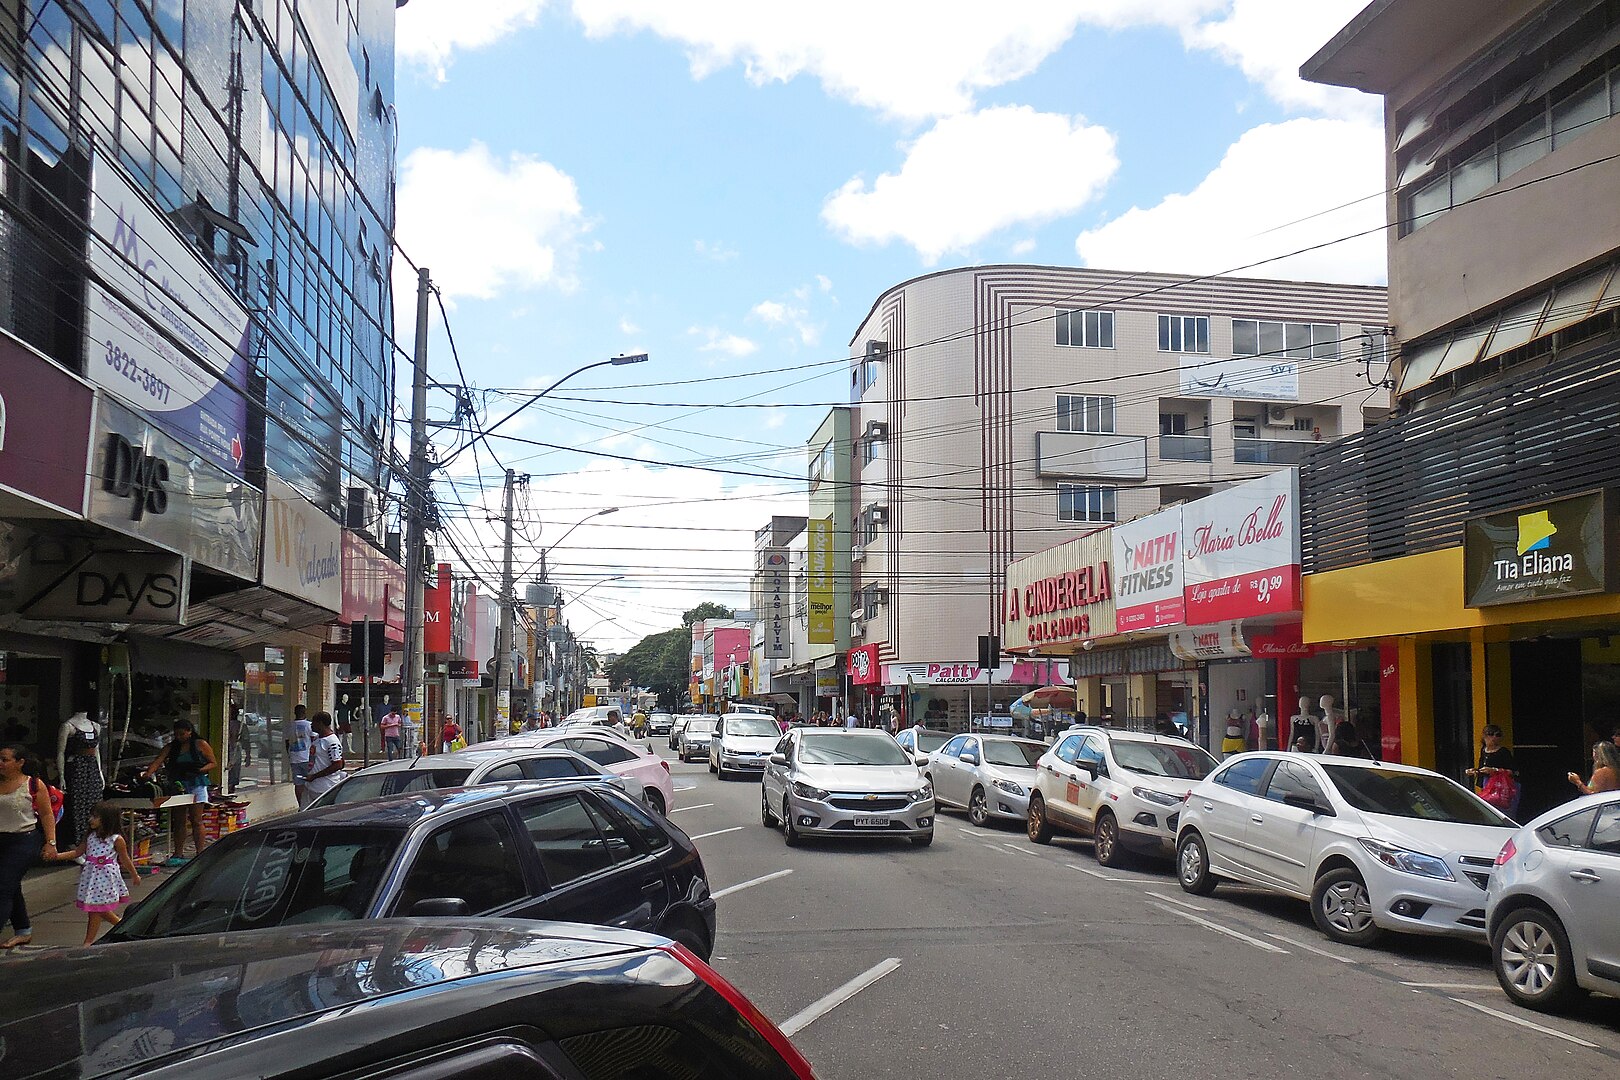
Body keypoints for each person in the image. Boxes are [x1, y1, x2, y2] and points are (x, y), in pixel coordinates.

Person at [50, 801, 137, 945]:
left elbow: (125, 858)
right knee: (98, 907)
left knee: (95, 909)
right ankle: (123, 925)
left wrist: (134, 874)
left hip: (105, 878)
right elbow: (78, 852)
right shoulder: (90, 837)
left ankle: (88, 942)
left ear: (107, 819)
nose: (91, 819)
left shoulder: (116, 840)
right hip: (91, 877)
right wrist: (57, 856)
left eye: (95, 817)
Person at [0, 744, 57, 948]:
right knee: (11, 886)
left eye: (5, 759)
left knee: (3, 886)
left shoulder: (33, 784)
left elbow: (46, 814)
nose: (0, 763)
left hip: (24, 840)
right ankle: (23, 931)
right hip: (1, 840)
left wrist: (51, 843)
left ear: (20, 762)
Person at [140, 720, 216, 863]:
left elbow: (213, 762)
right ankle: (178, 852)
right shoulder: (171, 747)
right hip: (178, 783)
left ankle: (200, 852)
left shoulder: (200, 744)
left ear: (190, 732)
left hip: (196, 783)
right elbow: (158, 760)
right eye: (176, 734)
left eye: (182, 734)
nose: (180, 737)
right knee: (179, 820)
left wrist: (199, 770)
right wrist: (148, 774)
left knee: (196, 820)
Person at [304, 713, 346, 801]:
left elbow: (338, 764)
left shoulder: (331, 742)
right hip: (312, 787)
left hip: (324, 788)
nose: (311, 725)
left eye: (313, 722)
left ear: (320, 723)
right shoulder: (317, 739)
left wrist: (314, 776)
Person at [1466, 724, 1517, 789]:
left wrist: (1494, 770)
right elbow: (1482, 767)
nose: (1494, 737)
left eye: (1498, 735)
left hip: (1500, 785)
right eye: (1491, 734)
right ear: (1484, 736)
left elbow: (1512, 771)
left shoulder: (1503, 752)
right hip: (1486, 783)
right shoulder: (1483, 750)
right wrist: (1475, 771)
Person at [286, 704, 313, 807]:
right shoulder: (309, 725)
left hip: (294, 758)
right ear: (304, 712)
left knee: (298, 784)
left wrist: (289, 755)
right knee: (311, 782)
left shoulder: (290, 726)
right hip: (306, 758)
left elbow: (287, 742)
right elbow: (314, 740)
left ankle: (301, 805)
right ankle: (310, 804)